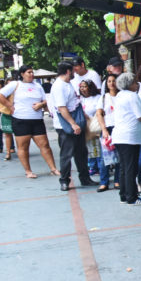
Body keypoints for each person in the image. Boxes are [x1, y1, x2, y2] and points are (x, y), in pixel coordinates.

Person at [0, 65, 59, 179]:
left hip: (37, 120)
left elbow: (45, 100)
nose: (31, 74)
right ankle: (28, 171)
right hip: (20, 119)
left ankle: (53, 168)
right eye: (29, 72)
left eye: (32, 72)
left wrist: (41, 104)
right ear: (22, 74)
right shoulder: (15, 84)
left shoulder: (38, 86)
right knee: (23, 147)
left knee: (45, 145)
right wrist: (10, 106)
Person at [51, 62, 95, 191]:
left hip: (76, 122)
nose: (75, 73)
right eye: (73, 71)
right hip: (66, 125)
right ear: (68, 71)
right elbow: (62, 108)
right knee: (67, 154)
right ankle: (64, 180)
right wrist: (73, 124)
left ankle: (85, 177)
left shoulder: (67, 84)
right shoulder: (59, 86)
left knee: (81, 152)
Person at [111, 72, 141, 205]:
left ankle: (124, 195)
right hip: (130, 135)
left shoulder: (119, 95)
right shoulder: (132, 96)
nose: (137, 85)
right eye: (134, 82)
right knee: (131, 168)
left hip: (120, 135)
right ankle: (132, 197)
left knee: (123, 167)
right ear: (130, 84)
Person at [96, 73, 120, 193]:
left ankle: (118, 180)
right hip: (108, 129)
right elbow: (99, 113)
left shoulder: (121, 96)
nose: (112, 83)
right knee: (104, 157)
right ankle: (104, 182)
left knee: (120, 156)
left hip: (120, 128)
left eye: (114, 81)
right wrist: (104, 129)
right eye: (109, 81)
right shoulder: (103, 98)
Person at [79, 80, 102, 178]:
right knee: (88, 147)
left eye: (85, 86)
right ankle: (91, 166)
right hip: (85, 127)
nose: (83, 89)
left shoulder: (97, 98)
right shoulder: (80, 99)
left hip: (95, 126)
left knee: (97, 146)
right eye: (81, 87)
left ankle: (97, 167)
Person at [0, 79, 15, 161]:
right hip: (6, 114)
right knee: (7, 134)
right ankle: (8, 153)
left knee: (20, 135)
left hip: (17, 114)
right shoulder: (3, 93)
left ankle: (21, 151)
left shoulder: (17, 92)